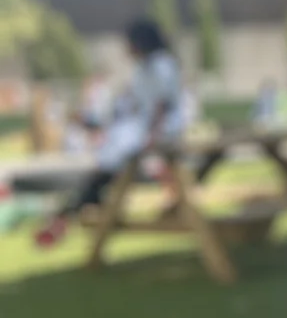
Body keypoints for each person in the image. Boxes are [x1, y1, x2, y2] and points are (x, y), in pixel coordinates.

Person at [34, 18, 185, 246]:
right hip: (143, 129)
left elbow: (161, 106)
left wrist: (151, 137)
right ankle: (68, 213)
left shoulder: (161, 64)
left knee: (107, 170)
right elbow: (137, 104)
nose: (126, 48)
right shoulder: (142, 68)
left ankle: (66, 214)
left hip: (160, 130)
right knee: (105, 170)